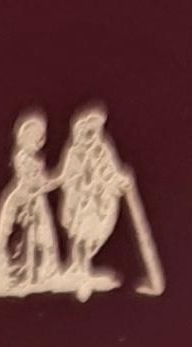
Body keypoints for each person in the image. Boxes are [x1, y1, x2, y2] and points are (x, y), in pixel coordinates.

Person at [0, 111, 62, 297]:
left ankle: (39, 273)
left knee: (43, 236)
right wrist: (50, 184)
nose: (38, 142)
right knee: (21, 235)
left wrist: (57, 180)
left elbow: (42, 181)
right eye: (34, 137)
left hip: (36, 200)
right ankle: (18, 273)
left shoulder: (37, 159)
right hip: (23, 200)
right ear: (24, 138)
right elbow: (31, 182)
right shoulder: (22, 158)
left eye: (40, 137)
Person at [55, 106, 131, 300]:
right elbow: (69, 177)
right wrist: (82, 185)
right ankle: (82, 271)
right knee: (81, 235)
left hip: (97, 203)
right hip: (81, 204)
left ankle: (80, 266)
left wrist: (118, 180)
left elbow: (109, 172)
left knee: (92, 236)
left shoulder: (102, 151)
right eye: (89, 131)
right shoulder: (74, 153)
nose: (92, 135)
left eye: (96, 131)